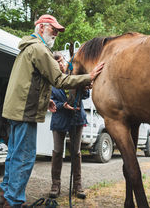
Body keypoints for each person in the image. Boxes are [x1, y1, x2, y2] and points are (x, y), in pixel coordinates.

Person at [0, 14, 104, 208]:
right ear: (42, 27)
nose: (55, 34)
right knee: (24, 158)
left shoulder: (27, 48)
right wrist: (90, 76)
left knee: (13, 155)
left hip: (15, 111)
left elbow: (30, 82)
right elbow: (59, 81)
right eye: (53, 29)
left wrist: (46, 103)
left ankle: (3, 196)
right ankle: (14, 203)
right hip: (25, 113)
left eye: (57, 32)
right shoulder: (39, 49)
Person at [49, 52, 89, 199]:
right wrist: (62, 105)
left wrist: (84, 89)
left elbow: (85, 96)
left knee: (76, 152)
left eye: (61, 61)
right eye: (56, 62)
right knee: (58, 151)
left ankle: (77, 185)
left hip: (76, 118)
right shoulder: (51, 78)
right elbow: (49, 98)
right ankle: (55, 185)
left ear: (65, 61)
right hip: (59, 118)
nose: (60, 64)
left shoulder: (75, 75)